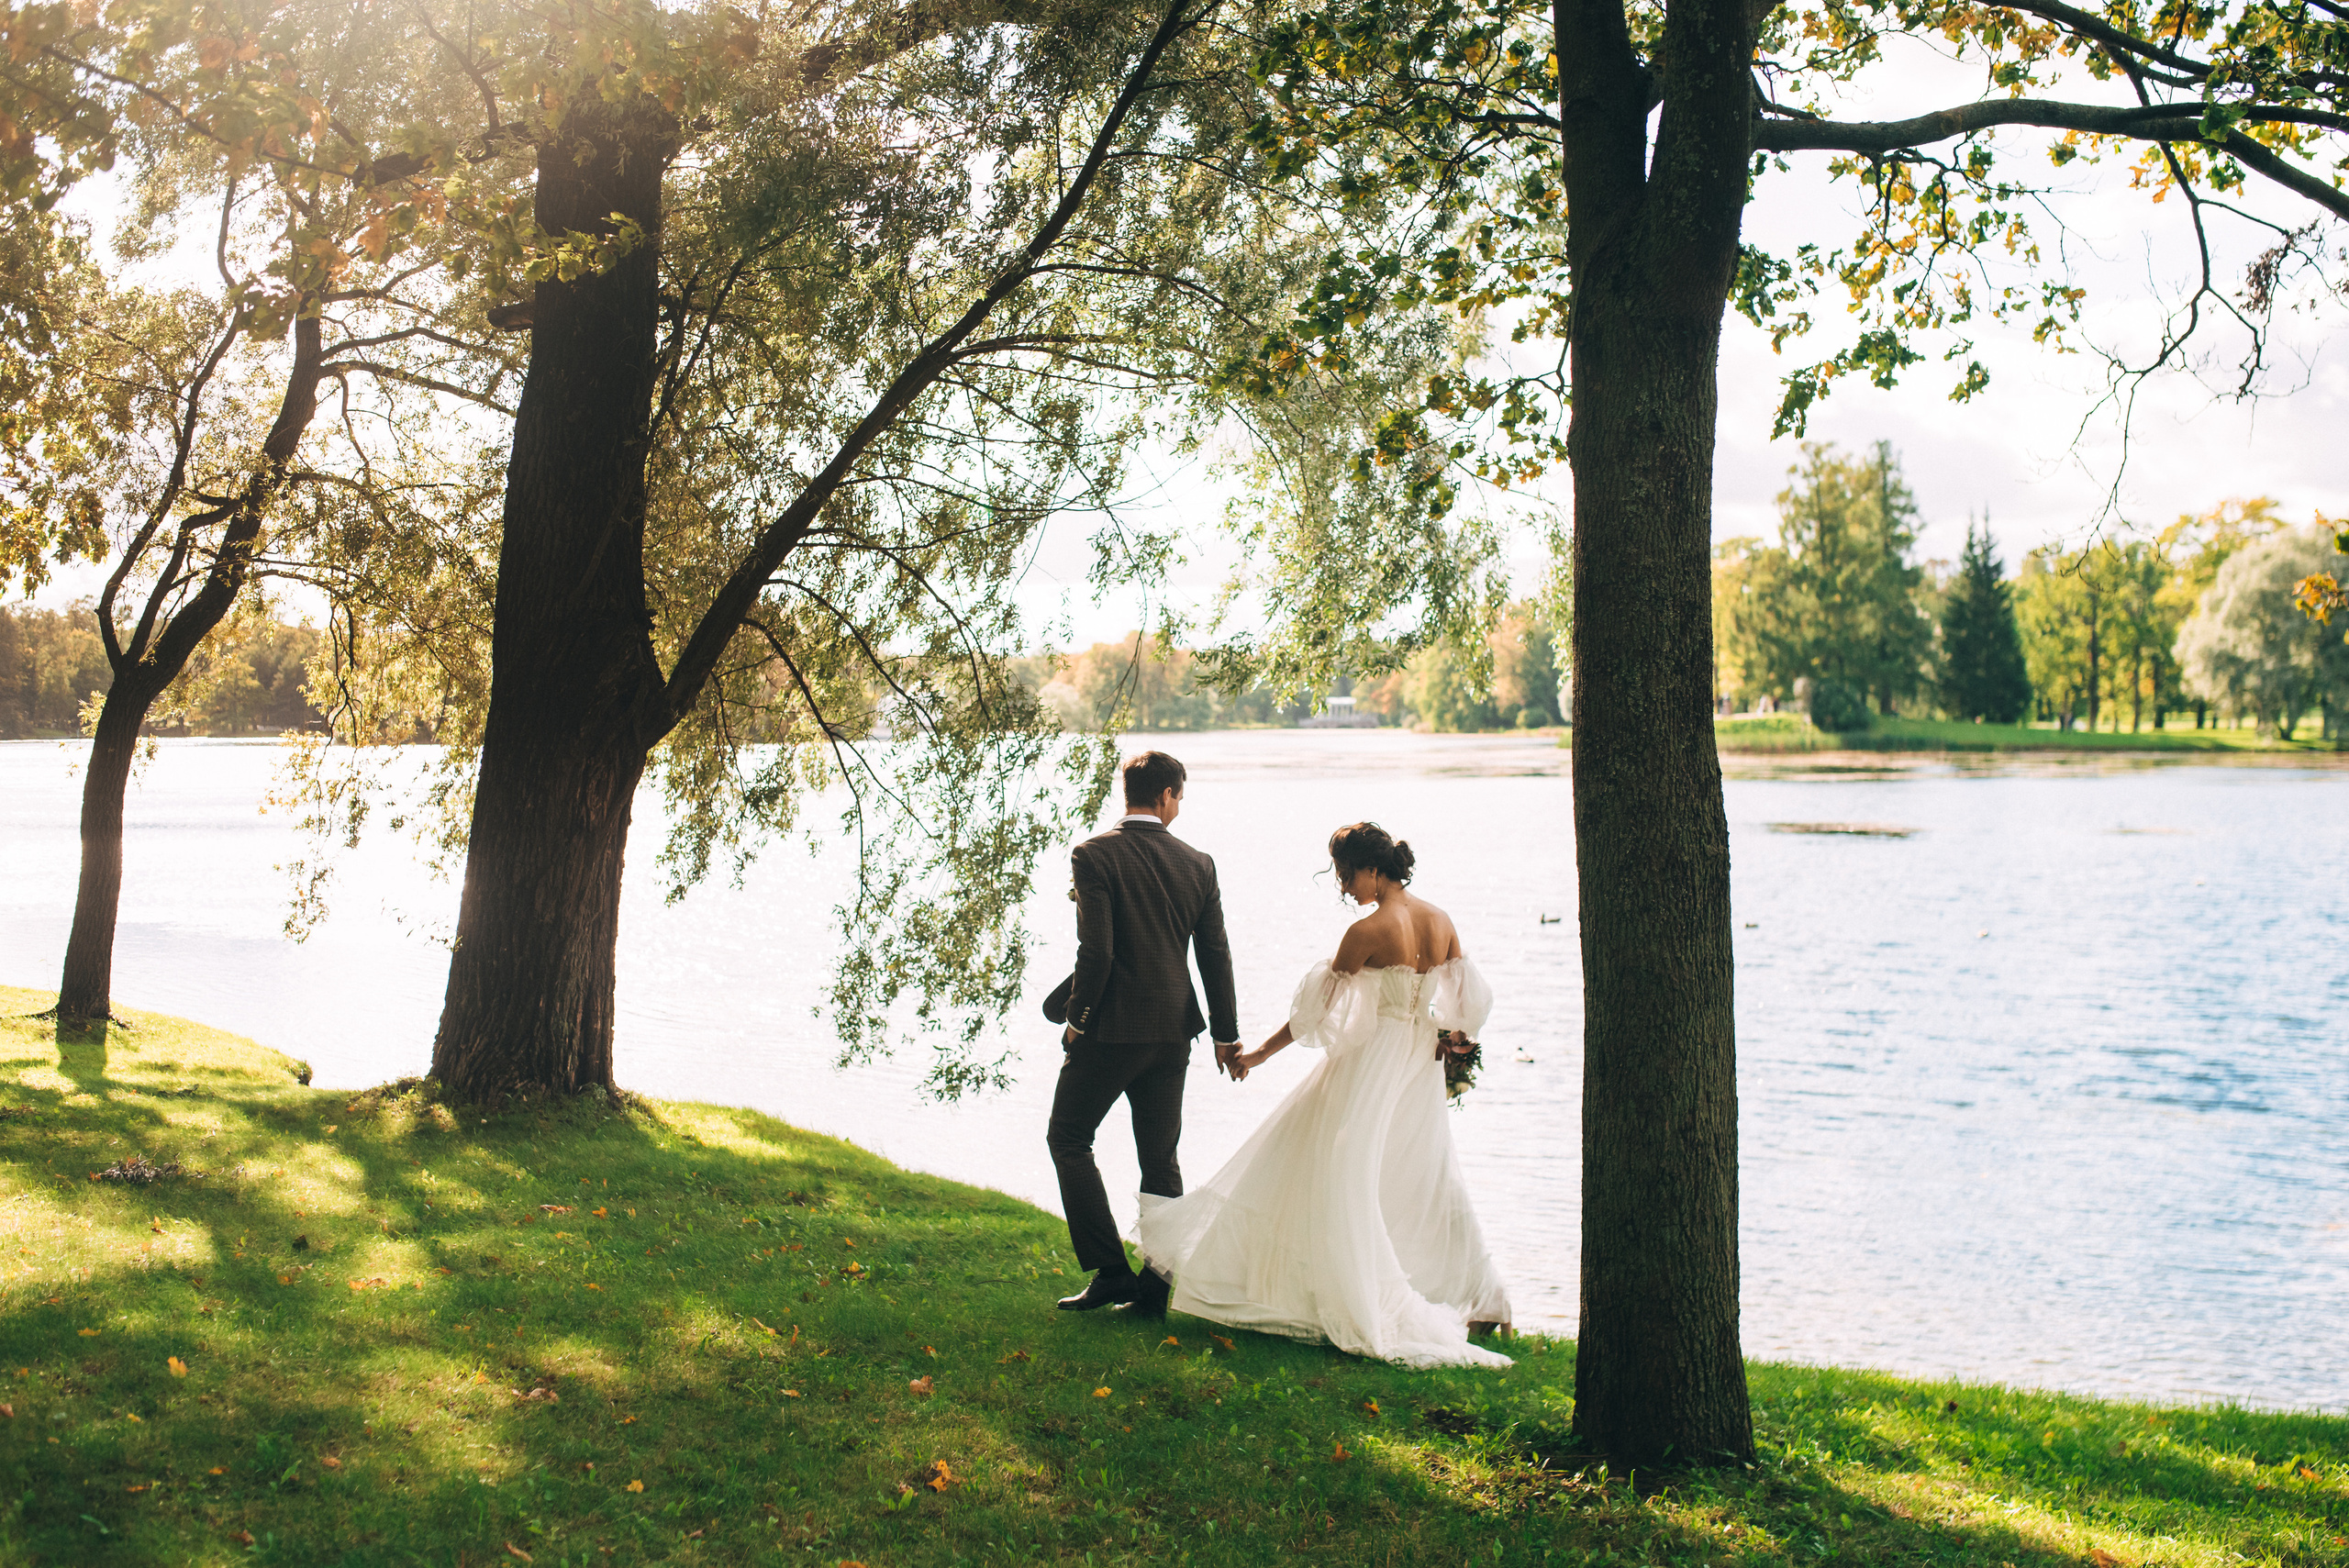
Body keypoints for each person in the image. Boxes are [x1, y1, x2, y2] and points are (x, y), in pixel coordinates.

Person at [1133, 821, 1512, 1368]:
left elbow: (1315, 1014)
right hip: (1418, 1061)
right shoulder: (1442, 920)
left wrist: (1259, 1055)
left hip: (1372, 1064)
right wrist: (1451, 1041)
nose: (1344, 888)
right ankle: (1484, 1297)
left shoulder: (1367, 933)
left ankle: (1354, 1293)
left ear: (1375, 870)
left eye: (1346, 875)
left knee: (1341, 1166)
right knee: (1424, 1171)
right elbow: (1467, 1004)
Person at [1044, 751, 1241, 1317]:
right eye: (1181, 795)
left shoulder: (1093, 853)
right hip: (1173, 1031)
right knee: (1160, 1160)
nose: (1181, 804)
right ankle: (1154, 1288)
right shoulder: (1197, 863)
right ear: (1167, 795)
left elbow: (1097, 951)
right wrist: (1226, 1034)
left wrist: (1078, 1020)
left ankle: (1111, 1272)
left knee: (1069, 1138)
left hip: (1111, 1030)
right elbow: (1215, 955)